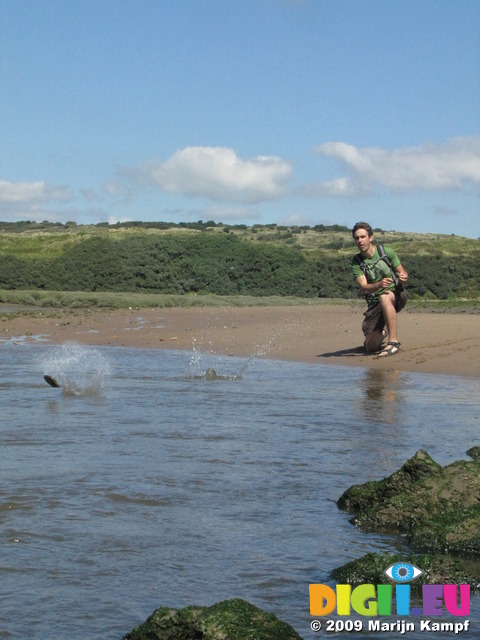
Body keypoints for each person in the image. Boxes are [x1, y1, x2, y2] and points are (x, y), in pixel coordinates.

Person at [350, 222, 408, 357]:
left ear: (371, 237)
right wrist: (379, 285)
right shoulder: (356, 262)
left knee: (384, 297)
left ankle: (393, 343)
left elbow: (402, 273)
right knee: (370, 346)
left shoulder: (386, 252)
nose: (360, 241)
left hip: (396, 294)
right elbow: (364, 287)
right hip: (374, 303)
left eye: (362, 237)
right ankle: (382, 332)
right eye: (357, 238)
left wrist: (403, 277)